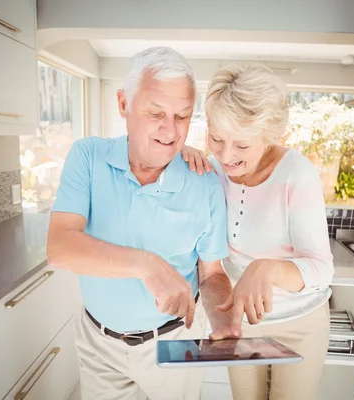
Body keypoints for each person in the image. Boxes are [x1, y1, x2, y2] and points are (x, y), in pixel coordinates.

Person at [47, 47, 237, 400]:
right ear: (123, 104)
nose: (170, 130)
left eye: (182, 116)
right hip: (98, 344)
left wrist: (223, 319)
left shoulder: (205, 181)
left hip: (174, 342)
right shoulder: (88, 157)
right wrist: (147, 265)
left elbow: (211, 275)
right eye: (156, 113)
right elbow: (59, 248)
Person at [181, 64, 334, 400]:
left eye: (242, 146)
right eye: (216, 139)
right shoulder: (214, 168)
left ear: (268, 137)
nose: (226, 155)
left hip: (299, 324)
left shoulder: (297, 175)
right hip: (241, 320)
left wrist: (266, 268)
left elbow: (322, 269)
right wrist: (181, 156)